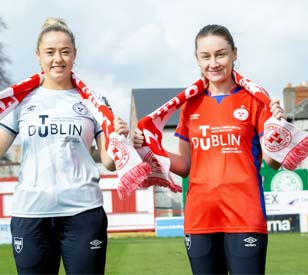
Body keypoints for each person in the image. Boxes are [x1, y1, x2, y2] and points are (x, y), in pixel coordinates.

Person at [133, 24, 286, 275]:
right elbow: (185, 166)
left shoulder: (256, 100)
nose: (213, 63)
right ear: (198, 60)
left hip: (244, 216)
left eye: (221, 54)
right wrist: (149, 148)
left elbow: (273, 162)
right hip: (200, 217)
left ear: (234, 54)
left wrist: (279, 129)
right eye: (206, 56)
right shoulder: (190, 105)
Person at [0, 17, 129, 275]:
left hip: (83, 213)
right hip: (31, 213)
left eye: (64, 52)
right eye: (50, 52)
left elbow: (109, 161)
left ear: (74, 55)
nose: (57, 58)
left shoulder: (94, 101)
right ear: (38, 55)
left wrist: (119, 138)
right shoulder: (21, 101)